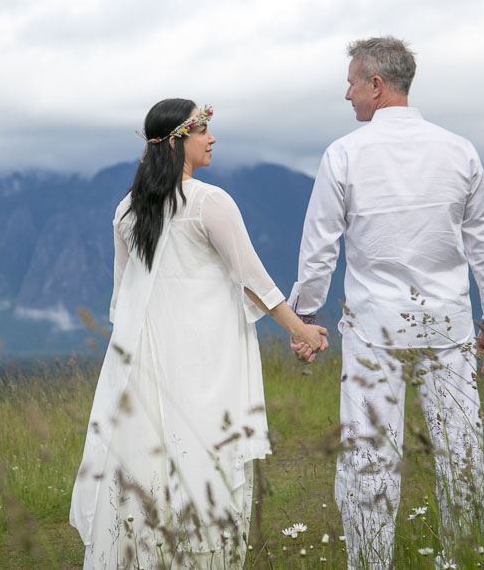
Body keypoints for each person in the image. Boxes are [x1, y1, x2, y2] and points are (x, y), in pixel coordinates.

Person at [70, 98, 327, 569]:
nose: (212, 139)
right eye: (203, 130)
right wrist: (301, 330)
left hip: (148, 360)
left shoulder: (128, 209)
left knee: (150, 463)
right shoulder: (210, 202)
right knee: (205, 457)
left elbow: (120, 300)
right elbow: (253, 278)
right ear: (177, 142)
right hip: (206, 359)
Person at [288, 37, 484, 568]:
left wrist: (305, 318)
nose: (346, 95)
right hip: (448, 325)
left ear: (376, 85)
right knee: (460, 454)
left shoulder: (344, 153)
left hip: (375, 329)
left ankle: (370, 563)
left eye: (351, 83)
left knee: (370, 457)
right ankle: (462, 560)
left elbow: (320, 246)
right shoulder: (460, 150)